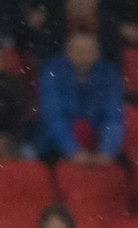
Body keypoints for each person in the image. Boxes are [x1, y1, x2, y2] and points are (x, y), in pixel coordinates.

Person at [36, 33, 124, 163]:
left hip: (97, 142)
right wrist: (73, 150)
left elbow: (113, 115)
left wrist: (107, 151)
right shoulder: (52, 72)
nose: (83, 55)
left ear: (98, 53)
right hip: (54, 149)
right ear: (67, 51)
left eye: (88, 50)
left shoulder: (109, 73)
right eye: (78, 50)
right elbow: (53, 116)